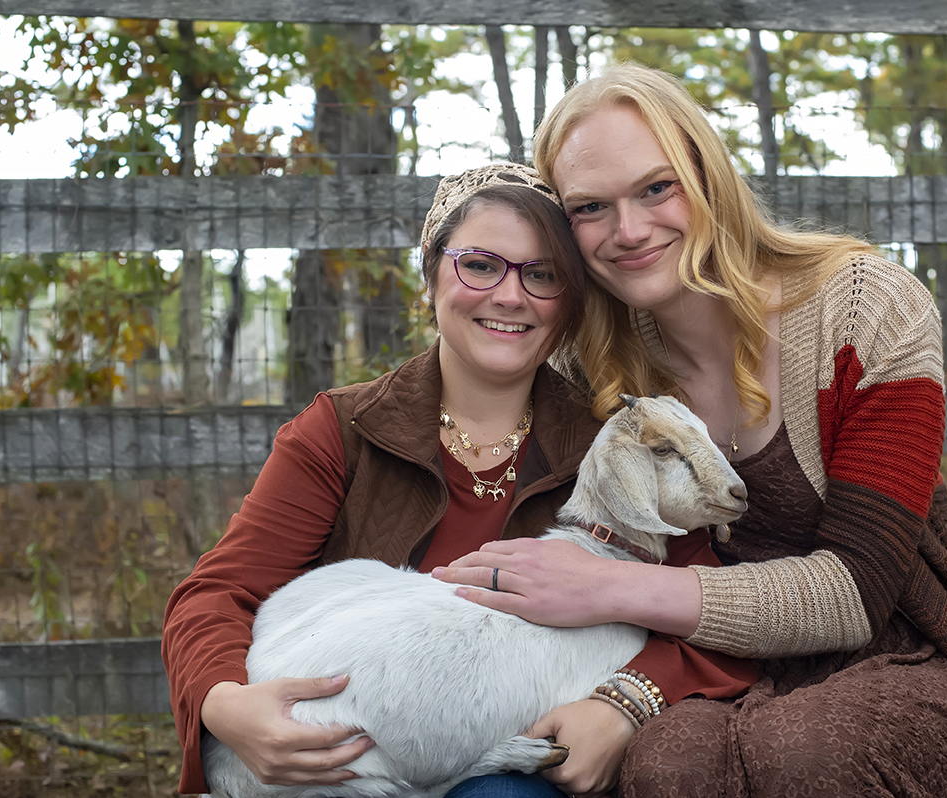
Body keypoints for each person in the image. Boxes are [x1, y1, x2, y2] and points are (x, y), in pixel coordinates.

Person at [433, 64, 947, 798]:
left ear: (708, 176)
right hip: (710, 667)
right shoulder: (588, 358)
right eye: (591, 208)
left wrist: (608, 587)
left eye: (656, 188)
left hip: (904, 650)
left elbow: (859, 591)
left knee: (810, 756)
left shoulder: (865, 311)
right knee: (664, 765)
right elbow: (460, 415)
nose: (629, 231)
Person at [163, 163, 632, 798]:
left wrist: (626, 702)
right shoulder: (342, 431)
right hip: (353, 769)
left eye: (541, 274)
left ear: (570, 301)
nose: (510, 295)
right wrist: (225, 706)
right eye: (481, 264)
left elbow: (691, 597)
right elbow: (215, 595)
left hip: (519, 772)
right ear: (431, 275)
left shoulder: (613, 443)